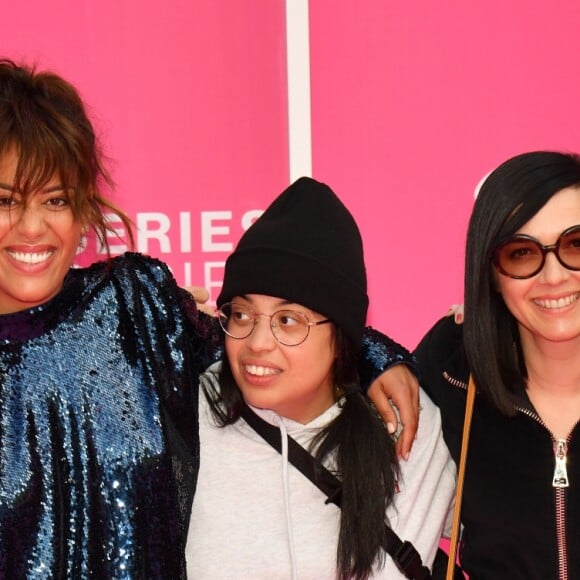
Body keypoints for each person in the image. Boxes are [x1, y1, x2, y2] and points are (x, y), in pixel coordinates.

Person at [0, 58, 419, 578]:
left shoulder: (135, 304)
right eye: (6, 201)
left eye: (56, 199)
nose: (32, 227)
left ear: (84, 205)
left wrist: (378, 357)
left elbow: (258, 340)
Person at [185, 177, 455, 579]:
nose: (257, 342)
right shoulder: (184, 416)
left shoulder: (405, 424)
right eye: (241, 314)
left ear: (342, 335)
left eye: (288, 320)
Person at [374, 150, 580, 579]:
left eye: (575, 245)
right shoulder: (454, 366)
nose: (554, 275)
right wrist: (375, 358)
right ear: (491, 273)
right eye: (521, 253)